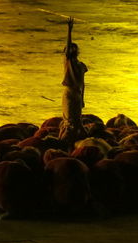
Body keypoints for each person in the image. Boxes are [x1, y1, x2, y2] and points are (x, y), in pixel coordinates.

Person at [59, 17, 88, 147]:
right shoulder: (73, 63)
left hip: (74, 94)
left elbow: (83, 83)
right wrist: (69, 31)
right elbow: (83, 84)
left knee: (73, 122)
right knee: (72, 122)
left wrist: (82, 98)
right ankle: (68, 143)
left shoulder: (78, 65)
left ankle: (67, 144)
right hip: (73, 93)